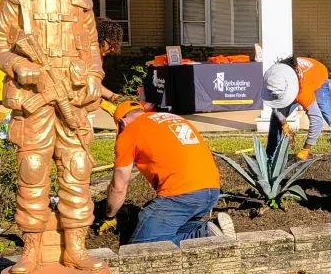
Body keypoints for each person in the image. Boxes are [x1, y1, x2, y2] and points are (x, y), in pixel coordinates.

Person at [0, 0, 105, 274]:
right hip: (33, 99)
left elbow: (92, 47)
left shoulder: (80, 0)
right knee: (33, 168)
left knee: (77, 167)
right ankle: (32, 250)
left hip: (72, 96)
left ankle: (76, 248)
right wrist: (18, 66)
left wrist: (94, 76)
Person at [99, 100, 235, 245]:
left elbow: (118, 187)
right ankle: (213, 227)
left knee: (143, 247)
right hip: (211, 191)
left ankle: (203, 234)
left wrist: (109, 216)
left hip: (181, 195)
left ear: (122, 123)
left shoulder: (129, 132)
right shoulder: (174, 118)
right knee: (176, 228)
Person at [262, 55, 331, 166]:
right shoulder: (273, 79)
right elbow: (274, 103)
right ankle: (271, 158)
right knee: (276, 120)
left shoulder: (302, 92)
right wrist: (284, 123)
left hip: (318, 78)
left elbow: (317, 121)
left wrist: (305, 149)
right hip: (299, 81)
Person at [96, 18, 124, 102]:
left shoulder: (99, 56)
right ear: (101, 39)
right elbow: (91, 83)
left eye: (115, 45)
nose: (112, 49)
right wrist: (113, 96)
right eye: (111, 45)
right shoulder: (89, 56)